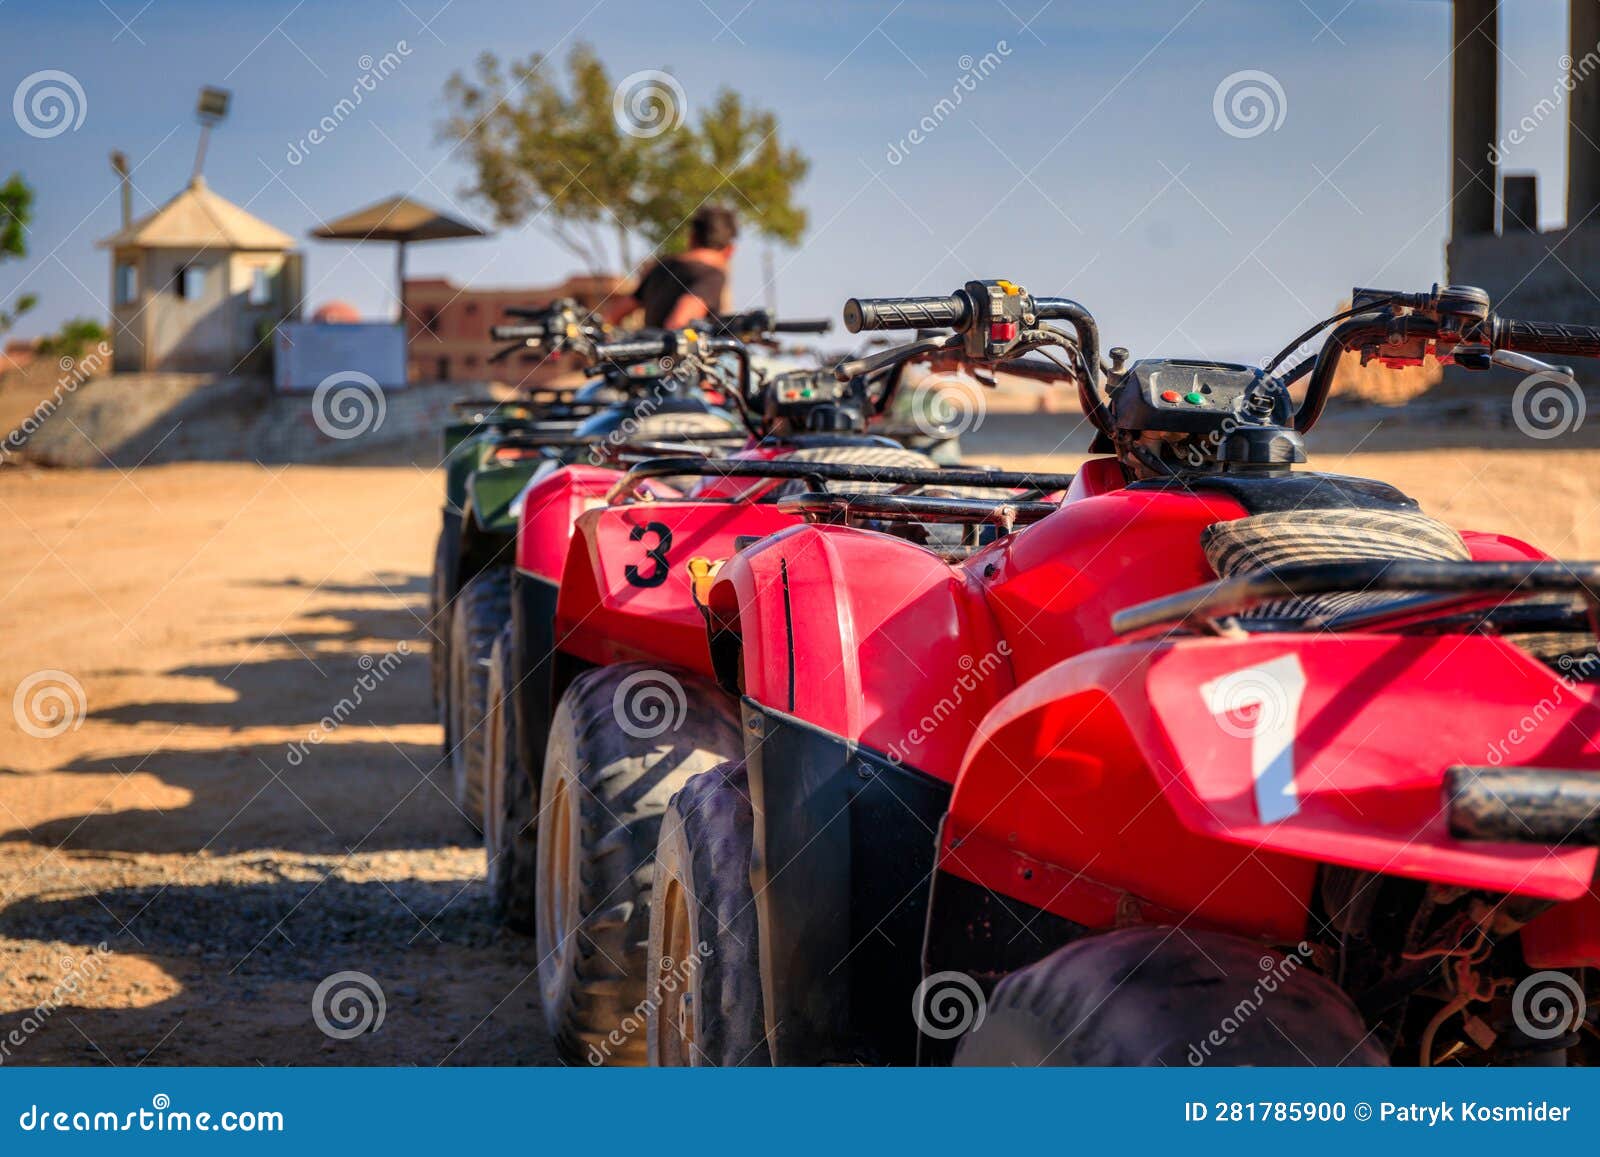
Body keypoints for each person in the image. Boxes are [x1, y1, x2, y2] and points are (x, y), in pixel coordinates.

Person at [606, 206, 737, 329]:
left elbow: (614, 315)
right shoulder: (712, 275)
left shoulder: (664, 266)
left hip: (647, 349)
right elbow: (679, 321)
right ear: (730, 250)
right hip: (671, 352)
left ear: (692, 238)